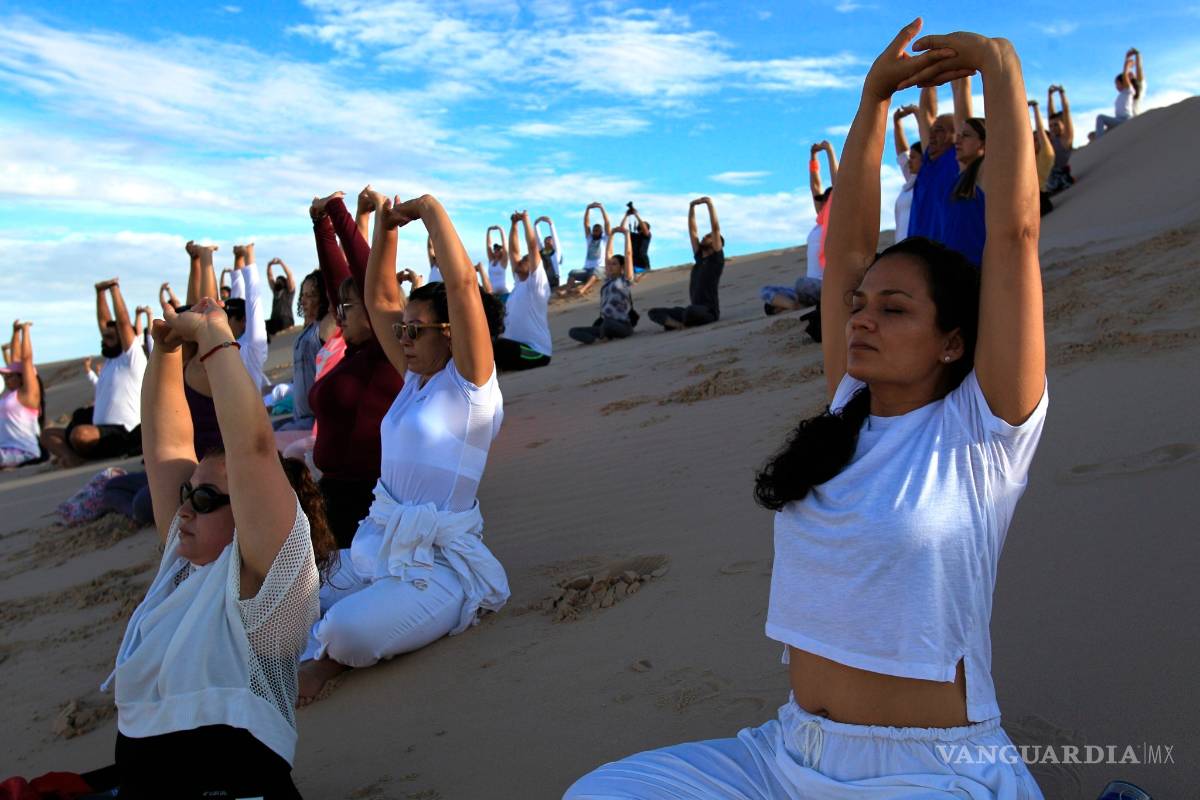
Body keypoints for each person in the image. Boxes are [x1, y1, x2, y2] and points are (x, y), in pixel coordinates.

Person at [566, 21, 1048, 799]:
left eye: (895, 310)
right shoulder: (847, 407)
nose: (862, 319)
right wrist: (872, 97)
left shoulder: (982, 431)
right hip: (787, 754)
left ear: (954, 342)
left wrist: (1000, 65)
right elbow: (848, 249)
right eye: (859, 306)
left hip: (926, 770)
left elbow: (1016, 234)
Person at [92, 296, 336, 799]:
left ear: (250, 514)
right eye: (188, 493)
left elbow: (254, 448)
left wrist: (214, 336)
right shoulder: (184, 563)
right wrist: (164, 350)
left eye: (204, 499)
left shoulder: (265, 586)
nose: (184, 508)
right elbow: (165, 446)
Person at [297, 190, 510, 706]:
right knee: (285, 601)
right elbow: (378, 299)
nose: (404, 337)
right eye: (403, 329)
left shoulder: (470, 389)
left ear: (452, 334)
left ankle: (326, 659)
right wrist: (386, 228)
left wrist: (428, 210)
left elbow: (462, 284)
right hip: (377, 545)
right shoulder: (414, 378)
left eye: (416, 330)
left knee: (345, 630)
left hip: (435, 567)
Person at [308, 190, 405, 548]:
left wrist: (338, 210)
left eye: (349, 307)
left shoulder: (386, 353)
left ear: (374, 307)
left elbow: (370, 279)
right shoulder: (355, 353)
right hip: (335, 494)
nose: (339, 314)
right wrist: (321, 225)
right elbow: (337, 286)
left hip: (366, 500)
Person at [42, 278, 146, 467]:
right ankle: (73, 457)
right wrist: (100, 293)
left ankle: (74, 456)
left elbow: (123, 323)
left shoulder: (132, 358)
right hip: (97, 431)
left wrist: (114, 290)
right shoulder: (110, 362)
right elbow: (104, 323)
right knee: (48, 435)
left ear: (123, 338)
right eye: (104, 338)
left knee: (80, 434)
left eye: (110, 337)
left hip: (123, 432)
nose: (104, 341)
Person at [760, 143, 834, 316]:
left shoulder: (837, 220)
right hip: (811, 286)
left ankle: (794, 305)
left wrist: (829, 151)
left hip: (826, 284)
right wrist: (813, 157)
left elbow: (839, 181)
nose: (821, 202)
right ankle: (795, 306)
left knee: (802, 284)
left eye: (826, 200)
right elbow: (815, 186)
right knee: (766, 291)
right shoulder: (820, 221)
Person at [647, 197, 724, 330]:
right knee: (653, 312)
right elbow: (692, 231)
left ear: (717, 244)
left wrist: (709, 204)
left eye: (709, 237)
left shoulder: (716, 261)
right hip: (691, 310)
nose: (704, 237)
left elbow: (716, 228)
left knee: (690, 311)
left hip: (708, 312)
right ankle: (679, 324)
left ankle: (677, 323)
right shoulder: (699, 258)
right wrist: (691, 207)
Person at [906, 75, 967, 241]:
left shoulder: (958, 159)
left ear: (956, 135)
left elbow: (961, 102)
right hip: (916, 250)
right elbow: (926, 112)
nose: (931, 134)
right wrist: (930, 74)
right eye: (932, 130)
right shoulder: (928, 163)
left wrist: (958, 73)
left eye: (939, 130)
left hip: (947, 249)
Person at [274, 270, 331, 443]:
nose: (304, 300)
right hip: (300, 417)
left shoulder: (326, 327)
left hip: (315, 420)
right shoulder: (308, 329)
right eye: (303, 295)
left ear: (324, 297)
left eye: (311, 295)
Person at [494, 210, 553, 371]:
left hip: (536, 352)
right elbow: (513, 252)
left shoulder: (536, 284)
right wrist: (514, 225)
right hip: (515, 348)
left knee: (498, 347)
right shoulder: (519, 283)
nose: (519, 261)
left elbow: (533, 247)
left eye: (525, 260)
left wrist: (526, 220)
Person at [568, 226, 637, 344]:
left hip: (623, 326)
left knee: (607, 323)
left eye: (614, 264)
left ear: (622, 267)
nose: (610, 266)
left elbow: (628, 255)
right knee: (573, 331)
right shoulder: (608, 280)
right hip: (606, 325)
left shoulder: (624, 280)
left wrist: (626, 234)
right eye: (610, 264)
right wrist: (611, 236)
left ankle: (603, 336)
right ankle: (598, 339)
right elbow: (608, 254)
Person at [940, 101, 988, 268]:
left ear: (983, 142)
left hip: (977, 269)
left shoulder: (986, 170)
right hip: (952, 268)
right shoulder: (961, 178)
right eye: (958, 135)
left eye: (966, 135)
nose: (957, 141)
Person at [226, 244, 270, 393]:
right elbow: (237, 294)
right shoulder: (229, 343)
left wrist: (249, 254)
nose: (223, 323)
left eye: (228, 319)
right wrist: (238, 258)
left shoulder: (252, 346)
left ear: (243, 320)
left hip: (251, 408)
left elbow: (253, 298)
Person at [0, 321, 42, 469]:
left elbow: (26, 359)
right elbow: (15, 358)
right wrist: (15, 333)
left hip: (24, 453)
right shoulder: (8, 395)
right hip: (5, 451)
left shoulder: (27, 394)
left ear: (22, 377)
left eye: (10, 376)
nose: (6, 379)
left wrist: (26, 331)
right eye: (5, 376)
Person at [561, 202, 611, 296]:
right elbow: (586, 224)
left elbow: (607, 223)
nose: (594, 232)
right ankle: (567, 290)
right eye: (594, 230)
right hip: (586, 269)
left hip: (600, 269)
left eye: (597, 230)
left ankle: (583, 289)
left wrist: (602, 209)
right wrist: (588, 209)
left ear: (601, 232)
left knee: (595, 272)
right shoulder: (589, 239)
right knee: (572, 273)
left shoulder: (604, 239)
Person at [893, 104, 922, 242]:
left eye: (914, 157)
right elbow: (902, 153)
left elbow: (928, 138)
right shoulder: (912, 180)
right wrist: (897, 122)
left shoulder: (930, 182)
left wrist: (917, 113)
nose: (909, 161)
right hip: (903, 247)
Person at [1094, 51, 1140, 137]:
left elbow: (1125, 75)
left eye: (1117, 84)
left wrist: (1127, 64)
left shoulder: (1129, 90)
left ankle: (1100, 141)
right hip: (1118, 120)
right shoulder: (1123, 93)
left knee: (1100, 118)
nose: (1116, 86)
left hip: (1125, 120)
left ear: (1123, 83)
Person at [1045, 84, 1075, 194]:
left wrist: (1062, 93)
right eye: (1051, 126)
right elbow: (1050, 113)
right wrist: (1050, 96)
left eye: (1056, 125)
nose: (1053, 128)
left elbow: (1066, 111)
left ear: (1063, 124)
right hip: (1049, 174)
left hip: (1060, 177)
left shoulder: (1066, 138)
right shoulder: (1053, 137)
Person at [1030, 99, 1055, 216]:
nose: (1033, 142)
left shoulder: (1046, 154)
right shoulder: (1033, 157)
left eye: (1035, 139)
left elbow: (1040, 130)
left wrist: (1035, 108)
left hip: (1040, 199)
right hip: (1033, 198)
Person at [619, 204, 653, 280]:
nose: (640, 226)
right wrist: (626, 215)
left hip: (643, 265)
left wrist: (636, 215)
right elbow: (621, 229)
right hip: (632, 263)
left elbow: (644, 229)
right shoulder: (633, 235)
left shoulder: (647, 236)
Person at [266, 258, 298, 339]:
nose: (277, 282)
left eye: (279, 280)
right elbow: (270, 277)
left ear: (284, 282)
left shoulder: (289, 291)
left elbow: (289, 275)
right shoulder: (275, 291)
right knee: (261, 326)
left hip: (286, 319)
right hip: (274, 320)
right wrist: (269, 265)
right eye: (277, 280)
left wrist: (281, 263)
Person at [535, 216, 562, 289]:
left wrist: (551, 224)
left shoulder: (556, 252)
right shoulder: (541, 251)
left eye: (549, 239)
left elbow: (555, 236)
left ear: (553, 243)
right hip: (543, 280)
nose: (547, 240)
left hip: (554, 280)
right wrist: (536, 225)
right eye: (546, 239)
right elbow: (538, 238)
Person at [486, 225, 511, 303]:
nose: (496, 250)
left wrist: (501, 230)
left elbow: (505, 245)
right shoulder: (491, 261)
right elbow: (488, 246)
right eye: (495, 249)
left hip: (503, 294)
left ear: (502, 251)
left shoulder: (503, 262)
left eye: (498, 249)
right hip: (492, 294)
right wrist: (489, 231)